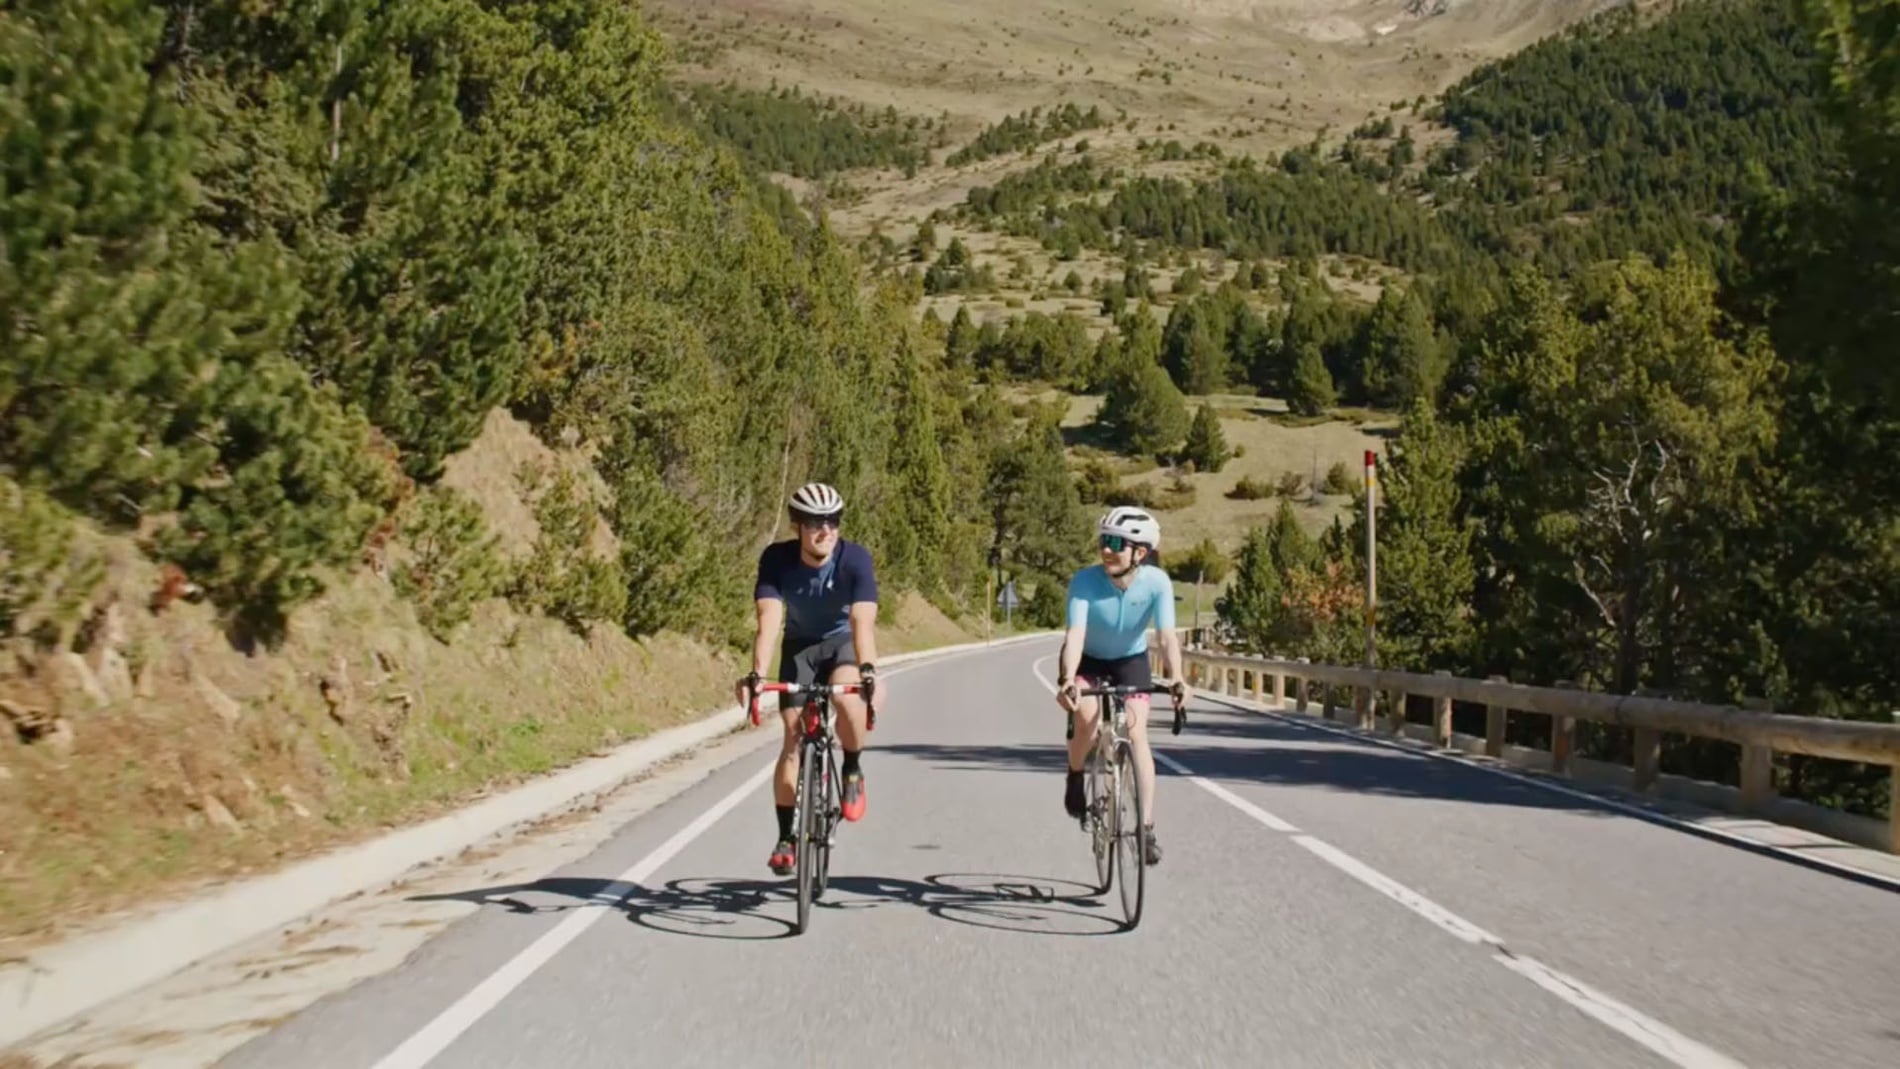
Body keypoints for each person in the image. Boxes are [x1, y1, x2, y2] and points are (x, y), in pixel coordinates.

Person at [736, 482, 880, 877]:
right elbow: (769, 620)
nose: (826, 530)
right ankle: (786, 837)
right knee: (793, 739)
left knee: (849, 701)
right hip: (799, 647)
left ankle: (852, 768)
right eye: (816, 522)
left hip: (842, 643)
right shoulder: (777, 560)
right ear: (797, 525)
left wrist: (867, 670)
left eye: (833, 520)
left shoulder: (855, 560)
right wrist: (757, 675)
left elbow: (862, 621)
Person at [1054, 505, 1187, 866]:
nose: (1106, 549)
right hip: (1089, 659)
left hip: (1130, 660)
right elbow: (1076, 635)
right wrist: (1068, 679)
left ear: (1139, 552)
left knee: (1136, 730)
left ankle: (1144, 828)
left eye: (1115, 542)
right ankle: (1076, 773)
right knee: (1086, 716)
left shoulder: (1157, 583)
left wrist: (1176, 676)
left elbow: (1166, 636)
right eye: (1103, 540)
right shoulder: (1084, 581)